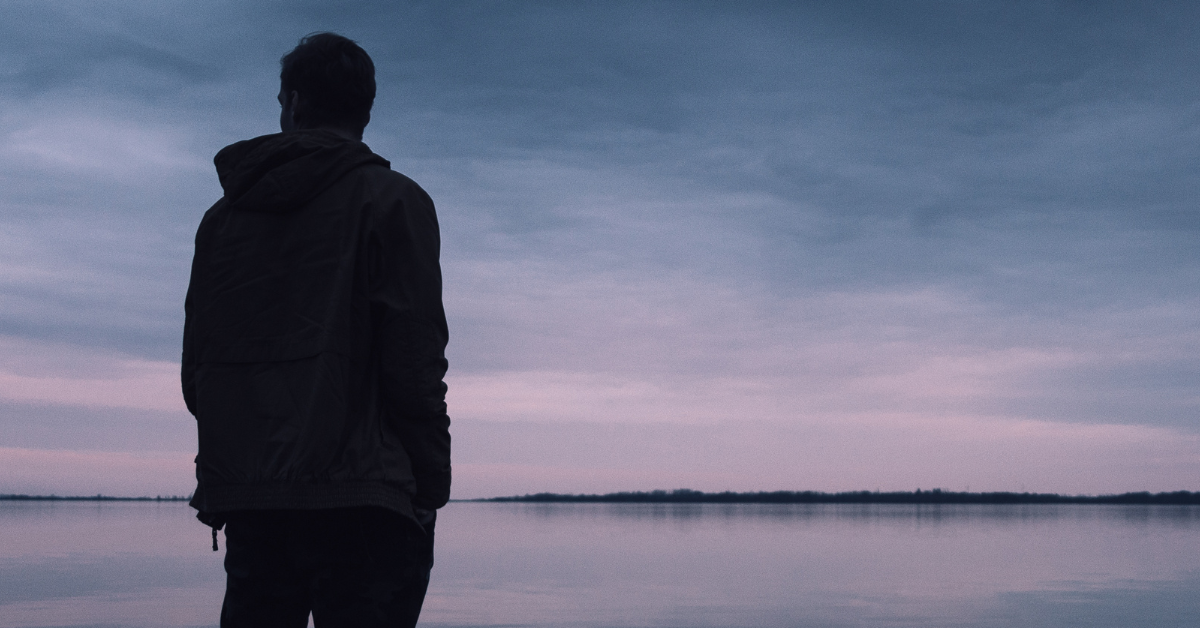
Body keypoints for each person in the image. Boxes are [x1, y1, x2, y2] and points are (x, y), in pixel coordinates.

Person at [181, 32, 451, 627]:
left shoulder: (221, 222)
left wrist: (245, 466)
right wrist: (431, 481)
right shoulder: (395, 202)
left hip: (257, 501)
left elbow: (197, 375)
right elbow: (413, 361)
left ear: (294, 103)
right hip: (369, 501)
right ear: (366, 108)